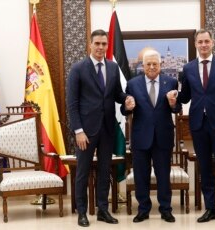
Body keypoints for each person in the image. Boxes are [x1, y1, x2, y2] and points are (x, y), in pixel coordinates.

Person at [66, 29, 135, 227]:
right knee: (83, 172)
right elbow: (72, 103)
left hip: (107, 129)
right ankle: (82, 212)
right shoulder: (78, 69)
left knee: (105, 171)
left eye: (104, 44)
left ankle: (103, 210)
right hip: (85, 132)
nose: (100, 47)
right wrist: (78, 130)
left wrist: (127, 99)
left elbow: (117, 94)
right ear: (90, 44)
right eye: (97, 43)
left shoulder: (113, 68)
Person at [177, 29, 215, 224]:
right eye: (200, 42)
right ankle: (210, 208)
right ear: (196, 44)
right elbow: (185, 96)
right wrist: (173, 97)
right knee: (204, 168)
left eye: (206, 41)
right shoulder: (188, 69)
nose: (203, 45)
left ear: (212, 43)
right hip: (198, 125)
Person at [121, 49, 181, 223]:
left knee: (164, 175)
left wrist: (173, 103)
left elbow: (176, 109)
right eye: (148, 64)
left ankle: (166, 209)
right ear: (143, 66)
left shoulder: (171, 82)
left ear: (161, 64)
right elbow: (124, 109)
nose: (152, 67)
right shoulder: (133, 84)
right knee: (141, 175)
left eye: (155, 63)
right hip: (140, 137)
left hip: (163, 136)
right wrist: (128, 107)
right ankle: (143, 209)